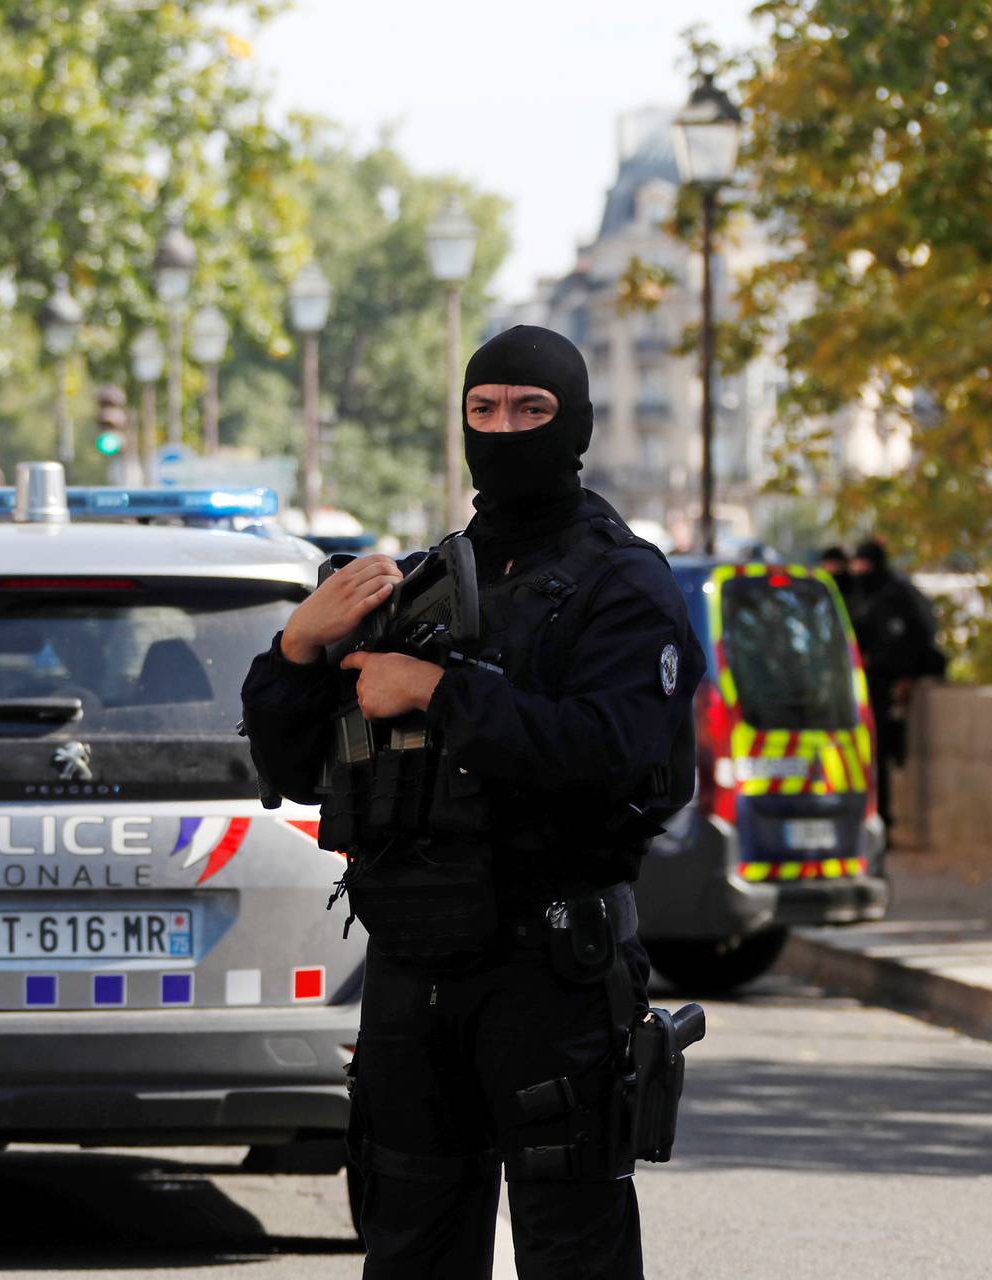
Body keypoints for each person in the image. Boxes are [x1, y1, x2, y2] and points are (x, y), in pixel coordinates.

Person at [241, 325, 702, 1278]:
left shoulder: (624, 582)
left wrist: (442, 694)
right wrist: (297, 647)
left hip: (552, 968)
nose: (504, 428)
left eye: (531, 411)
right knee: (408, 1245)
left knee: (571, 1251)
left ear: (574, 422)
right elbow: (291, 763)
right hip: (413, 966)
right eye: (484, 409)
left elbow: (618, 752)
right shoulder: (416, 585)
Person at [846, 538, 946, 828]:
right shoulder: (861, 594)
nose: (859, 569)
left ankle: (881, 819)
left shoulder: (892, 597)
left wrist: (898, 673)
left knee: (879, 756)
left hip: (882, 686)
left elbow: (904, 643)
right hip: (860, 686)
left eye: (864, 563)